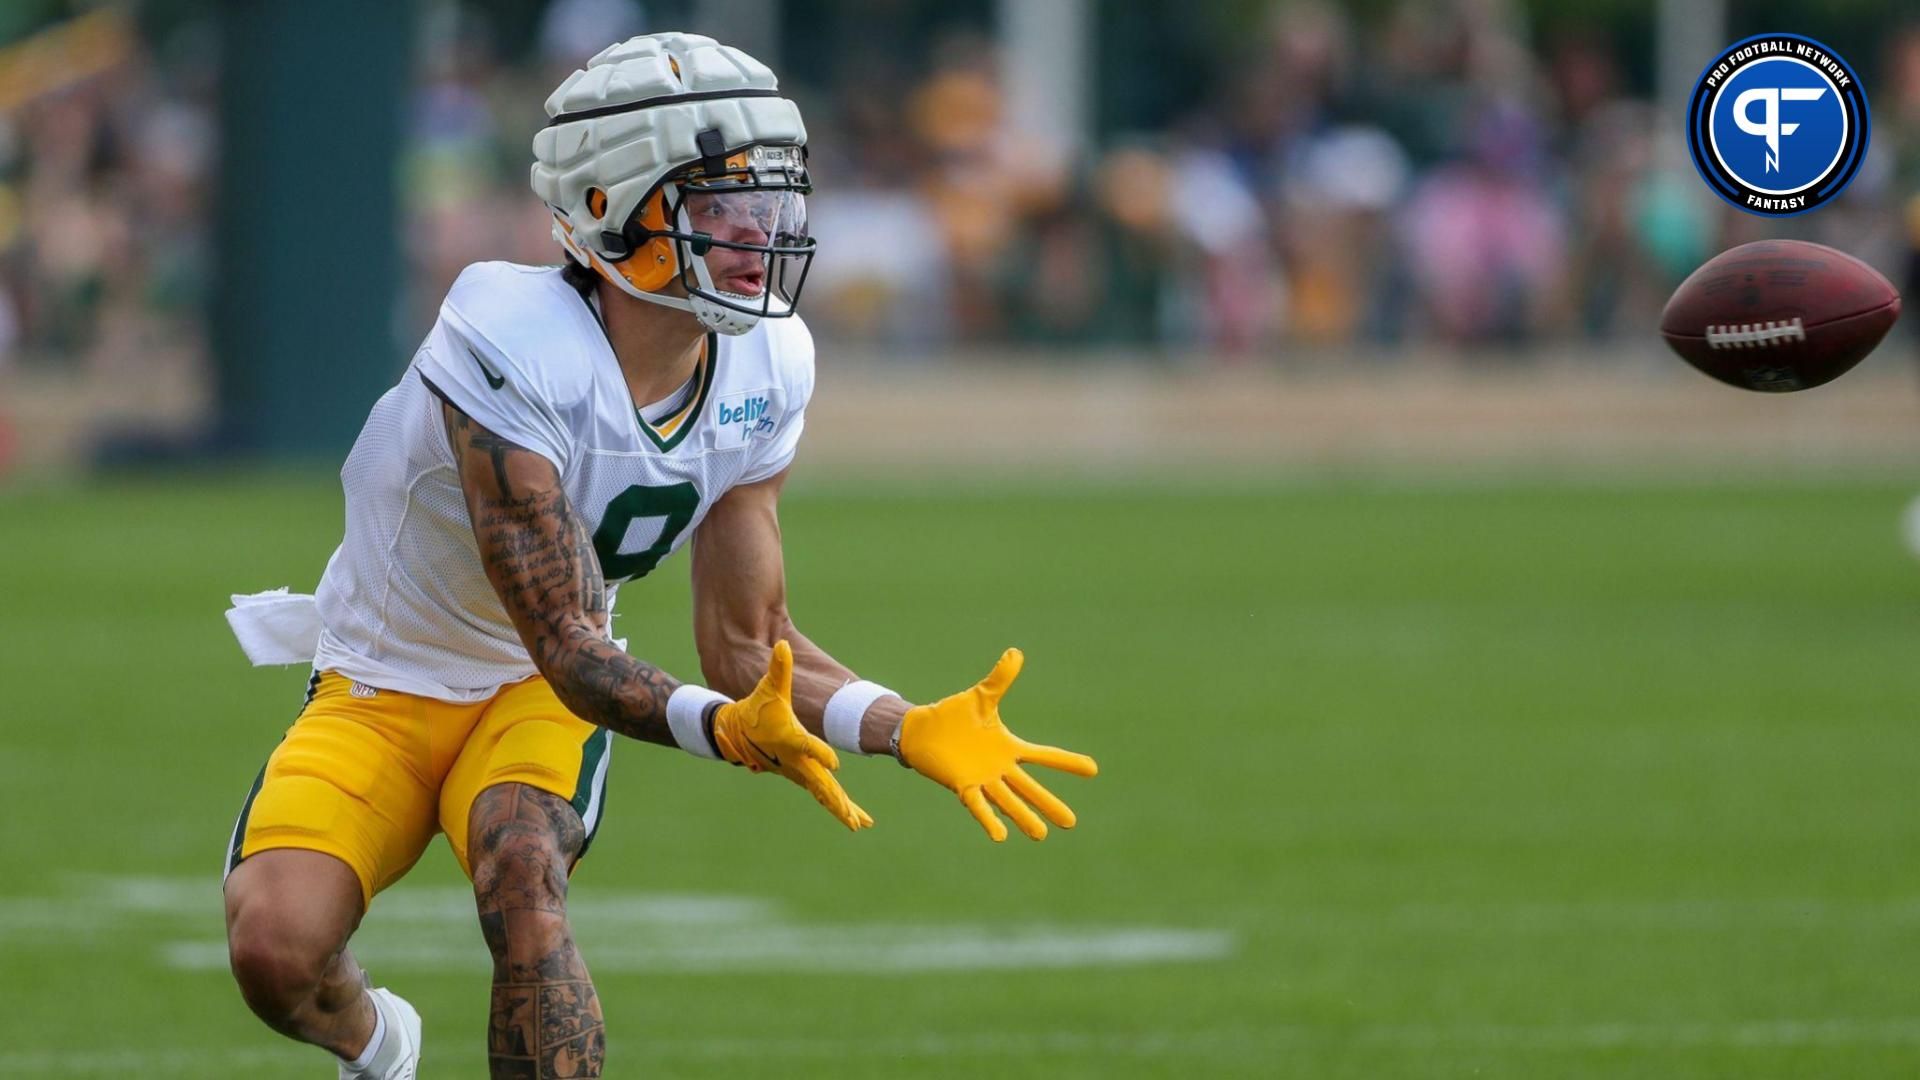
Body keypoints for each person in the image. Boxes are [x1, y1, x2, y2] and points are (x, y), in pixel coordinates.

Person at [219, 33, 1097, 1079]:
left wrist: (901, 727)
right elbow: (572, 642)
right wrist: (721, 732)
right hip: (388, 678)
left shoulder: (768, 362)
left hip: (531, 696)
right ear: (606, 208)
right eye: (719, 204)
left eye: (770, 203)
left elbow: (746, 642)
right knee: (276, 952)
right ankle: (379, 1046)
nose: (756, 233)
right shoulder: (507, 334)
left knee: (524, 882)